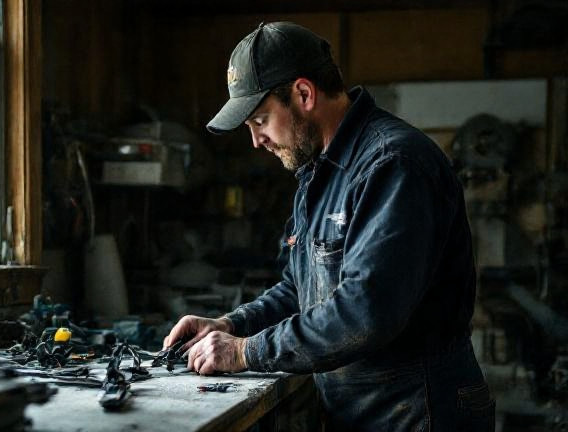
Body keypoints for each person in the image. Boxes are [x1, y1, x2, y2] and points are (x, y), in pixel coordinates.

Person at [163, 21, 495, 431]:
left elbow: (364, 312)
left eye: (260, 120)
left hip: (419, 411)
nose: (256, 141)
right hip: (360, 410)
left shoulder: (392, 165)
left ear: (303, 94)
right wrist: (232, 325)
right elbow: (299, 289)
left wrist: (245, 351)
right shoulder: (318, 172)